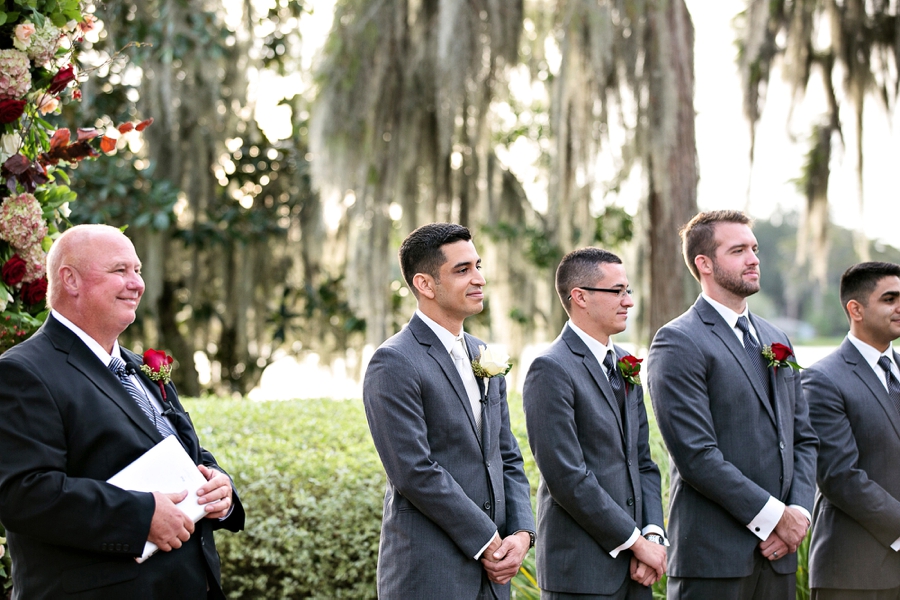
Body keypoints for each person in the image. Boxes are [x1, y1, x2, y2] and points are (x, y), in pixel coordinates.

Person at [0, 224, 245, 599]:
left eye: (139, 270)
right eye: (120, 271)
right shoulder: (22, 371)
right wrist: (140, 516)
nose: (137, 284)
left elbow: (184, 452)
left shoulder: (140, 367)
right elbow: (23, 494)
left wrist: (218, 487)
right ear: (71, 280)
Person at [647, 210, 817, 599]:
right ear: (703, 264)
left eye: (754, 249)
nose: (754, 259)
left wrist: (799, 517)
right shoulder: (678, 341)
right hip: (713, 561)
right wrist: (776, 517)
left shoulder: (777, 338)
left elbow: (804, 438)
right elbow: (696, 455)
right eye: (738, 250)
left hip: (778, 558)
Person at [363, 222, 535, 599]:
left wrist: (522, 533)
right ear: (425, 285)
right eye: (463, 270)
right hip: (429, 573)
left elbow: (506, 455)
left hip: (494, 579)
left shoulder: (483, 354)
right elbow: (413, 470)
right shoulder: (393, 361)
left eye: (478, 266)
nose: (479, 279)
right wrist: (488, 540)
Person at [523, 248, 667, 599]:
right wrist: (634, 543)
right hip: (581, 573)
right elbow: (566, 476)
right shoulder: (550, 368)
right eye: (617, 291)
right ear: (580, 297)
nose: (628, 302)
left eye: (628, 290)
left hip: (636, 573)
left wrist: (651, 535)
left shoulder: (625, 363)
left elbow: (643, 462)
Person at [801, 262, 900, 600]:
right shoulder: (823, 379)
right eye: (890, 298)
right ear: (855, 309)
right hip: (855, 572)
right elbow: (840, 476)